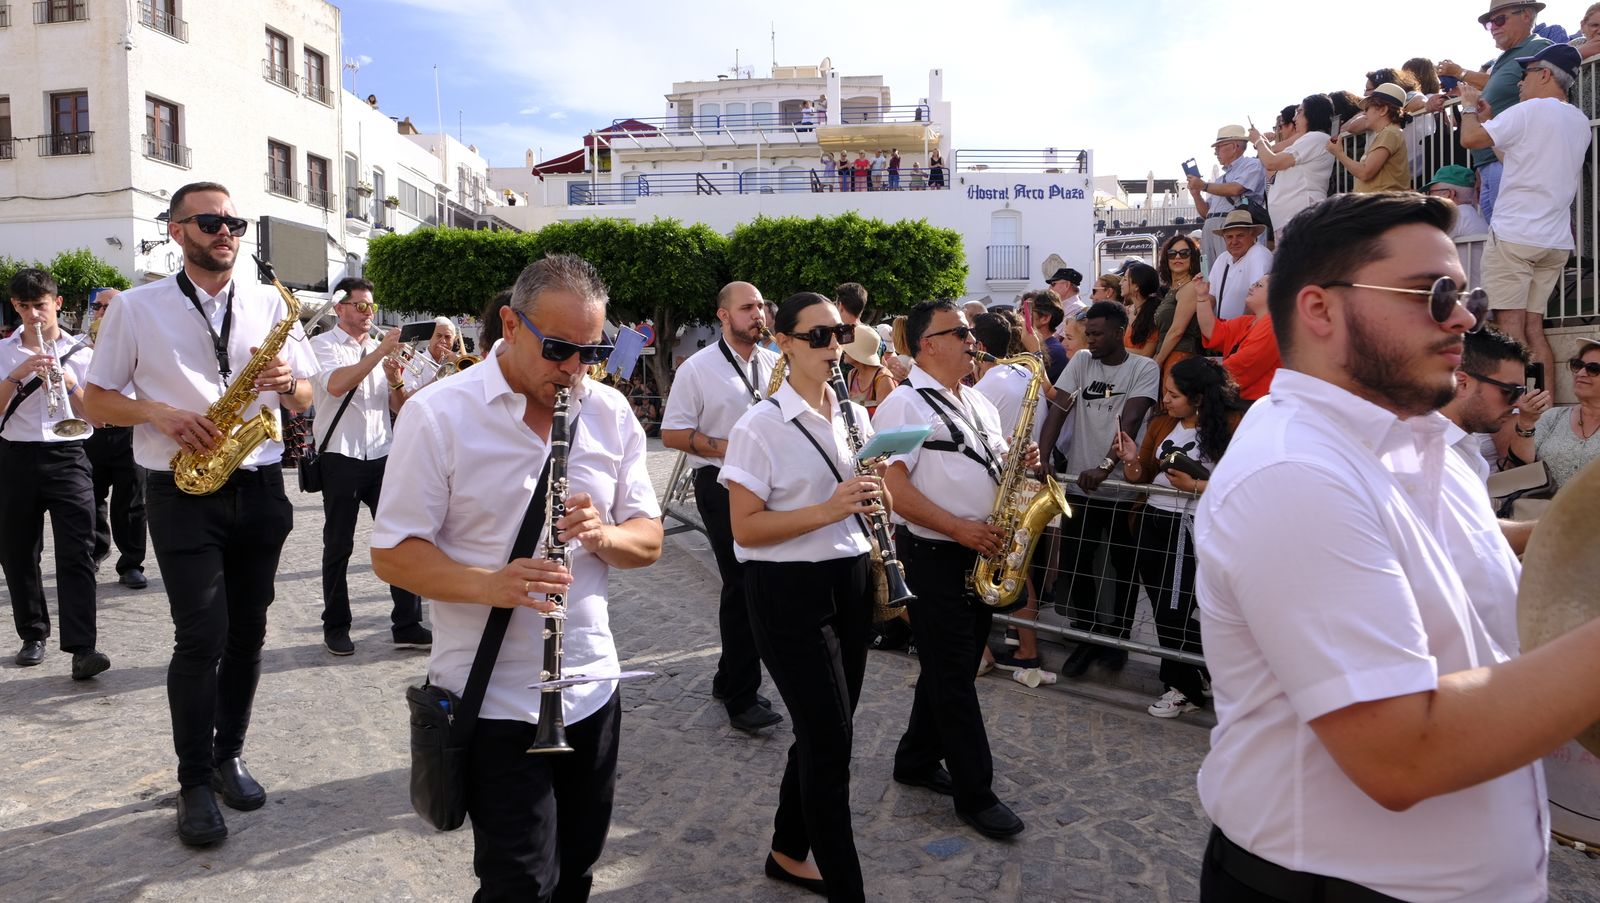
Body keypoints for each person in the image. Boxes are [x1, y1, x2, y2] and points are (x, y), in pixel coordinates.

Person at [1184, 190, 1600, 901]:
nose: (1464, 316)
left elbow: (1444, 551)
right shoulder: (1296, 474)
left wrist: (1566, 533)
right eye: (1433, 293)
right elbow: (1404, 752)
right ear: (1319, 309)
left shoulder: (1417, 435)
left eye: (1463, 294)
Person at [371, 253, 662, 902]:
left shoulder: (609, 413)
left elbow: (648, 540)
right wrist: (492, 583)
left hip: (588, 686)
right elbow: (392, 553)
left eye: (593, 350)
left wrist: (603, 535)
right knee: (518, 883)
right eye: (559, 347)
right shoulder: (439, 414)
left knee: (577, 872)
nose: (575, 368)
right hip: (493, 700)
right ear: (511, 321)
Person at [83, 180, 317, 846]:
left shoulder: (270, 302)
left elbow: (302, 396)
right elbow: (97, 401)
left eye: (234, 221)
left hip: (260, 483)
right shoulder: (136, 306)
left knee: (248, 632)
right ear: (178, 229)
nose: (226, 231)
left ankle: (227, 754)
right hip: (179, 489)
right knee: (202, 635)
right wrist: (158, 411)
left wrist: (287, 385)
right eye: (211, 220)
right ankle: (191, 780)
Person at [721, 292, 880, 901]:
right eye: (816, 337)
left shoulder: (853, 416)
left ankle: (788, 850)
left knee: (828, 730)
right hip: (787, 590)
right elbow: (746, 528)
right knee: (831, 742)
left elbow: (852, 505)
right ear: (783, 343)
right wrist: (827, 509)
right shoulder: (759, 425)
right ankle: (847, 886)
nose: (832, 347)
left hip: (851, 578)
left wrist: (872, 501)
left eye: (837, 334)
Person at [872, 299, 1031, 840]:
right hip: (935, 557)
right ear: (927, 344)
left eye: (968, 330)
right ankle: (976, 794)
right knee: (954, 678)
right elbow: (894, 490)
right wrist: (959, 528)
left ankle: (915, 759)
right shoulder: (903, 406)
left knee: (953, 670)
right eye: (958, 331)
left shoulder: (978, 400)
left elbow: (988, 461)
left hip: (979, 553)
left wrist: (1020, 462)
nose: (970, 338)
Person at [659, 282, 784, 734]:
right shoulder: (697, 368)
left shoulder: (775, 364)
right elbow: (673, 433)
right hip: (720, 481)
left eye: (761, 307)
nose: (759, 314)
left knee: (753, 579)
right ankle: (742, 696)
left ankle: (727, 677)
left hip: (765, 482)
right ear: (724, 316)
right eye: (747, 307)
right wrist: (731, 447)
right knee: (743, 583)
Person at [1115, 356, 1243, 719]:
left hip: (1191, 525)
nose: (1166, 400)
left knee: (1175, 609)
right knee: (1162, 607)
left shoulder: (1234, 425)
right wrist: (1130, 459)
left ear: (1199, 397)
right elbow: (1142, 474)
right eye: (1165, 393)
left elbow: (1243, 482)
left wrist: (1196, 485)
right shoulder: (1162, 422)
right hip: (1153, 519)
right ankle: (1195, 672)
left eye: (1173, 394)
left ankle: (1182, 684)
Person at [1036, 300, 1159, 678]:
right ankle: (1088, 637)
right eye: (1088, 332)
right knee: (1077, 563)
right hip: (1080, 487)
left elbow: (1133, 419)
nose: (1091, 339)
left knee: (1123, 569)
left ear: (1120, 331)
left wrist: (1106, 467)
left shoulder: (1144, 368)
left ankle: (1118, 642)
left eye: (1098, 333)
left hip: (1122, 489)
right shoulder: (1081, 362)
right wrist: (1042, 457)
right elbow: (1059, 409)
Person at [309, 277, 430, 656]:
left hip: (382, 454)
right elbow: (336, 386)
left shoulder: (380, 353)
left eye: (371, 307)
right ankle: (336, 625)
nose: (368, 314)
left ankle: (407, 624)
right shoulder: (322, 346)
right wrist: (379, 354)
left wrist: (395, 382)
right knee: (338, 545)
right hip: (340, 456)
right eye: (360, 306)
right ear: (339, 308)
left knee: (400, 536)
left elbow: (397, 408)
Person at [1458, 42, 1591, 384]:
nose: (1520, 82)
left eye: (1526, 73)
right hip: (1555, 241)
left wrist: (1468, 108)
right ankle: (1542, 406)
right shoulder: (1577, 119)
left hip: (1516, 236)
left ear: (1545, 74)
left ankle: (1515, 412)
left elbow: (1469, 139)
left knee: (1510, 329)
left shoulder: (1529, 111)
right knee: (1534, 327)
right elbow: (1513, 159)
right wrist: (1490, 119)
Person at [1, 269, 108, 679]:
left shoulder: (82, 352)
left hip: (68, 454)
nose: (33, 314)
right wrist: (17, 374)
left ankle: (83, 647)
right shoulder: (3, 352)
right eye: (24, 306)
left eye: (40, 305)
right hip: (14, 455)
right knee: (17, 551)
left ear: (57, 303)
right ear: (14, 306)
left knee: (77, 550)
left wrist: (68, 383)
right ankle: (33, 633)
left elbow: (96, 415)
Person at [1437, 2, 1552, 223]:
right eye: (1489, 24)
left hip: (1510, 161)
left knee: (1512, 237)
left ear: (1527, 15)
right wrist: (1480, 166)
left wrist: (1460, 73)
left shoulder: (1538, 48)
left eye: (1500, 20)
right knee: (1501, 240)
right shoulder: (1505, 58)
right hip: (1491, 161)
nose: (1494, 27)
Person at [83, 287, 149, 590]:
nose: (102, 312)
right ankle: (95, 551)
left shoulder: (140, 342)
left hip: (129, 431)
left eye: (109, 306)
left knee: (132, 501)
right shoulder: (79, 348)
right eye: (98, 307)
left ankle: (131, 563)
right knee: (90, 497)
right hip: (91, 432)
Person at [1252, 94, 1335, 240]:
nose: (1295, 118)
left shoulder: (1315, 137)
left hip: (1301, 216)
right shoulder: (1310, 139)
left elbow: (1271, 162)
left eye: (1300, 112)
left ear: (1313, 113)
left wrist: (1258, 141)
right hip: (1291, 219)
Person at [1187, 125, 1268, 269]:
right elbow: (1206, 213)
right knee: (1208, 274)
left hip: (1231, 227)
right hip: (1212, 227)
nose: (1215, 152)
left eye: (1219, 147)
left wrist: (1204, 186)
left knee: (1232, 270)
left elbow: (1236, 188)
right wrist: (1196, 194)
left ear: (1234, 146)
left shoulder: (1253, 164)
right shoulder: (1219, 180)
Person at [1195, 274, 1282, 402]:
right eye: (1254, 283)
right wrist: (1202, 296)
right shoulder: (1247, 322)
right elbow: (1211, 331)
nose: (1252, 286)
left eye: (1259, 285)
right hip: (1239, 400)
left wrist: (1199, 376)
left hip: (1255, 405)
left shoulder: (1274, 325)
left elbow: (1242, 363)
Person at [1529, 338, 1600, 492]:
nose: (1581, 373)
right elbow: (1520, 465)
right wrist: (1525, 422)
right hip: (1547, 514)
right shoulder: (1552, 417)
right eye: (1578, 365)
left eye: (1593, 369)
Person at [1330, 83, 1411, 193]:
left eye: (1367, 108)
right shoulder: (1388, 133)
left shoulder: (1390, 133)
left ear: (1383, 110)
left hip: (1382, 205)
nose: (1364, 113)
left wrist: (1339, 153)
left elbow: (1365, 173)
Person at [1151, 234, 1205, 381]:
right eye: (1172, 253)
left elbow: (1177, 331)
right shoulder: (1172, 289)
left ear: (1193, 257)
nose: (1177, 257)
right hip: (1167, 356)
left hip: (1180, 358)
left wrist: (1158, 361)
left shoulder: (1191, 287)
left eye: (1184, 253)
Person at [1203, 208, 1273, 320]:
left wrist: (1240, 332)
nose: (1234, 241)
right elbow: (1211, 297)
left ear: (1253, 235)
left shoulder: (1258, 254)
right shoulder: (1223, 258)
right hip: (1224, 330)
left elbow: (1255, 301)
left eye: (1240, 235)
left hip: (1244, 331)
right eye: (1229, 237)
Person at [839, 324, 895, 416]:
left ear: (859, 352)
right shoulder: (852, 375)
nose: (843, 351)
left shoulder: (883, 379)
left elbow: (889, 418)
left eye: (848, 347)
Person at [402, 316, 460, 393]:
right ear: (430, 337)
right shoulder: (414, 364)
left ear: (453, 340)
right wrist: (437, 378)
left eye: (447, 337)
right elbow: (408, 397)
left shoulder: (458, 361)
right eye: (438, 335)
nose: (443, 340)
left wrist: (458, 367)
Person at [1122, 263, 1164, 358]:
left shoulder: (1154, 313)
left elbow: (1146, 353)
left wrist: (1115, 350)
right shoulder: (1124, 311)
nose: (1120, 283)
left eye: (1124, 279)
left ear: (1136, 286)